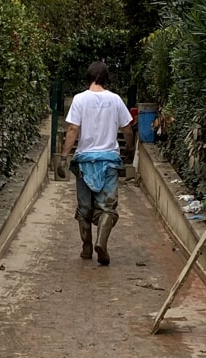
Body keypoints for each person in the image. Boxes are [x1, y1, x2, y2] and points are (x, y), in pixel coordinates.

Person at [57, 61, 135, 266]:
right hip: (109, 161)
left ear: (89, 77)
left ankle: (87, 247)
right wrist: (129, 149)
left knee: (84, 207)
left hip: (84, 162)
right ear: (106, 78)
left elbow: (73, 129)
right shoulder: (116, 100)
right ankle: (102, 241)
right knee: (107, 207)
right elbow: (127, 128)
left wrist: (64, 156)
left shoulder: (79, 99)